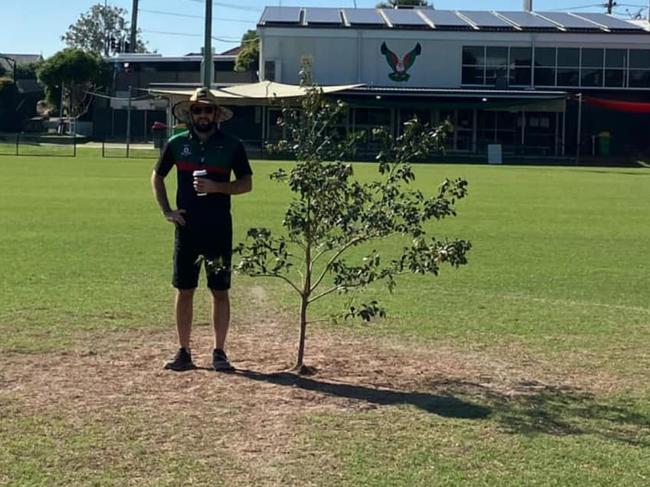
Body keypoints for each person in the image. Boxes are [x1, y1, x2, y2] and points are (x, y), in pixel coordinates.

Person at [151, 87, 253, 372]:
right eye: (197, 110)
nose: (203, 115)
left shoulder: (232, 145)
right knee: (185, 289)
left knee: (219, 290)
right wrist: (167, 211)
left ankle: (219, 352)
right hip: (187, 229)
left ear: (217, 114)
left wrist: (218, 188)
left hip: (218, 229)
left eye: (208, 110)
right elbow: (157, 177)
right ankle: (183, 351)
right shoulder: (176, 144)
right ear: (190, 114)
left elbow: (246, 183)